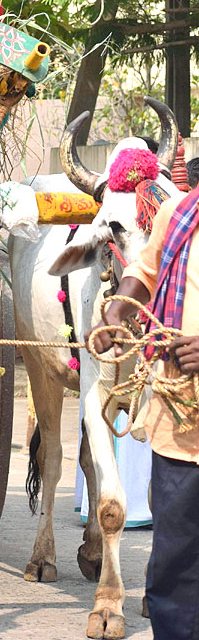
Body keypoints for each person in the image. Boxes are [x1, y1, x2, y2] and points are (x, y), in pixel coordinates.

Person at [88, 187, 199, 640]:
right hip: (179, 426)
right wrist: (115, 314)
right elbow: (145, 271)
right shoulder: (180, 212)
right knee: (173, 568)